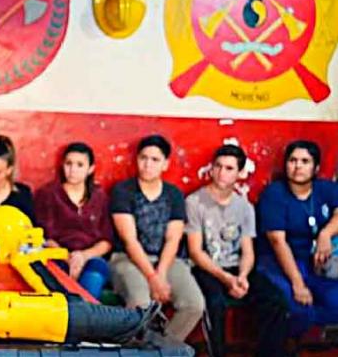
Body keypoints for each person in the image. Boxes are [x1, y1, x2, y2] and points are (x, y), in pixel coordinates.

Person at [186, 145, 288, 356]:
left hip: (236, 267)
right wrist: (226, 279)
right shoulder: (194, 202)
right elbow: (196, 252)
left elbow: (248, 251)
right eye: (218, 166)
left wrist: (242, 276)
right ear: (211, 169)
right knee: (215, 304)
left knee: (275, 300)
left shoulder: (244, 207)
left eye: (229, 168)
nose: (222, 173)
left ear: (240, 173)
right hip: (206, 268)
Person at [109, 134, 204, 342]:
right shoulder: (123, 191)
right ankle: (137, 351)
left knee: (194, 305)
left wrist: (160, 274)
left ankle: (160, 348)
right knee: (141, 303)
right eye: (143, 158)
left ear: (165, 164)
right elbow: (129, 240)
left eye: (155, 160)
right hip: (128, 258)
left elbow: (173, 239)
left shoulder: (174, 194)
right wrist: (153, 278)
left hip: (167, 260)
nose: (147, 165)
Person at [257, 140, 338, 336]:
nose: (298, 166)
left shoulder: (325, 189)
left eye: (305, 161)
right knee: (297, 309)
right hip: (278, 262)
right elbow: (278, 242)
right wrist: (298, 284)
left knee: (335, 303)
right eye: (292, 160)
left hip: (314, 261)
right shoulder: (274, 194)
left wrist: (326, 234)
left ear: (316, 167)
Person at [34, 142, 112, 300]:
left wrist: (82, 257)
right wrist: (68, 258)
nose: (73, 170)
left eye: (80, 165)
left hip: (91, 257)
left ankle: (87, 318)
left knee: (95, 277)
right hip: (56, 257)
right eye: (69, 164)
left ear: (90, 169)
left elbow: (106, 241)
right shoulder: (48, 194)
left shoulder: (100, 197)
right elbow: (44, 238)